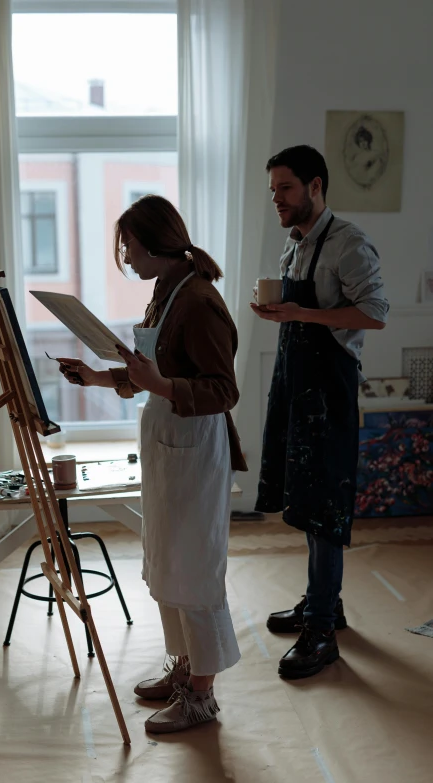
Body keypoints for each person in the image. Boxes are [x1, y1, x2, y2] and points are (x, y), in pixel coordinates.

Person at [58, 195, 247, 733]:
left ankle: (201, 697)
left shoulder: (200, 301)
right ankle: (185, 670)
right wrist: (98, 377)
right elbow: (151, 367)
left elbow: (223, 389)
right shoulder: (167, 291)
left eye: (128, 245)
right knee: (167, 563)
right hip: (168, 444)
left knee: (195, 569)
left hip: (193, 447)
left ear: (153, 242)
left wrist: (158, 385)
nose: (125, 256)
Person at [251, 145, 389, 679]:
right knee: (309, 503)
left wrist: (301, 311)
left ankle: (323, 631)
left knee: (326, 511)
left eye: (285, 189)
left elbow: (375, 314)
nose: (277, 200)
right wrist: (277, 311)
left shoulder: (349, 243)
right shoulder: (296, 245)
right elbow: (304, 314)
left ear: (315, 186)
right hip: (296, 389)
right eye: (273, 192)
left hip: (329, 394)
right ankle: (320, 603)